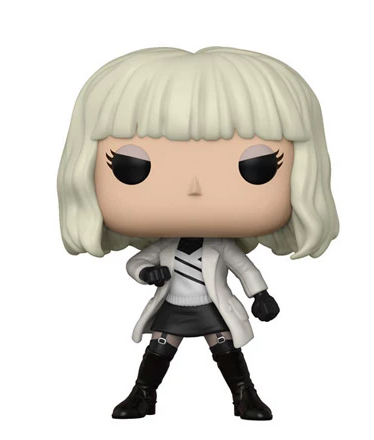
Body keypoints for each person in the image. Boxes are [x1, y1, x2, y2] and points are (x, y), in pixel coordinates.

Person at [57, 47, 339, 420]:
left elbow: (244, 268)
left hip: (210, 304)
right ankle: (143, 395)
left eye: (256, 167)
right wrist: (146, 272)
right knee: (160, 347)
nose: (194, 188)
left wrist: (260, 295)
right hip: (174, 304)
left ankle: (244, 395)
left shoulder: (221, 245)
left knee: (224, 345)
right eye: (131, 166)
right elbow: (137, 262)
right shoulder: (164, 246)